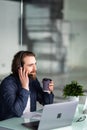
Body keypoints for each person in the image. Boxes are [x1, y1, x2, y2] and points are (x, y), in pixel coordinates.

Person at [0, 50, 54, 121]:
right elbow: (17, 112)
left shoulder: (32, 80)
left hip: (28, 122)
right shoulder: (8, 84)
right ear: (20, 68)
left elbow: (47, 103)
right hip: (10, 125)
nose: (35, 69)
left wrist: (48, 91)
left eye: (35, 64)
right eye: (30, 65)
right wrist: (25, 87)